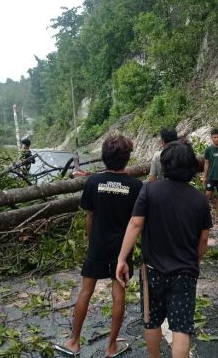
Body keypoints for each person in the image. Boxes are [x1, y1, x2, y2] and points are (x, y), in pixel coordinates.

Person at [116, 141, 212, 358]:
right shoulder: (199, 199)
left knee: (151, 320)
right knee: (181, 327)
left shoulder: (149, 190)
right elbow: (204, 239)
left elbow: (135, 224)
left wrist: (122, 258)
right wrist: (194, 261)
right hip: (185, 272)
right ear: (190, 167)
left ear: (165, 165)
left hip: (152, 270)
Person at [55, 135, 142, 358]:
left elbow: (90, 216)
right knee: (118, 292)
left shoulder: (93, 182)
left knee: (86, 290)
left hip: (98, 244)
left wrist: (89, 239)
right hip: (123, 248)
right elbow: (137, 222)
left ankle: (74, 342)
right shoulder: (136, 186)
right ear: (127, 157)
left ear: (104, 157)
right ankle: (111, 346)